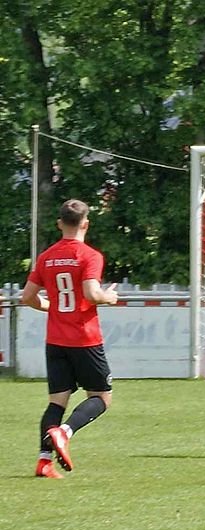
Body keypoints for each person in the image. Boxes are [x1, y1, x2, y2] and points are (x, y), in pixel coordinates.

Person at [20, 199, 119, 478]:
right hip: (85, 339)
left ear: (59, 224)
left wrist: (50, 306)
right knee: (101, 397)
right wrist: (108, 297)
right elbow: (91, 293)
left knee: (57, 401)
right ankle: (64, 432)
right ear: (86, 224)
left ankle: (44, 461)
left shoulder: (46, 257)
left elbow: (27, 297)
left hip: (56, 340)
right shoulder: (90, 255)